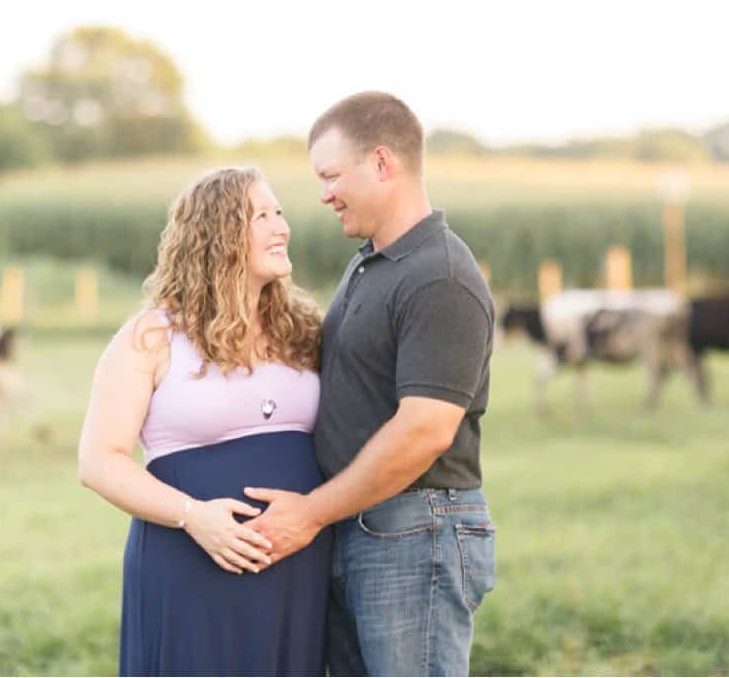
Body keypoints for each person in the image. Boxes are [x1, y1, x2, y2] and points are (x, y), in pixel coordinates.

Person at [243, 91, 496, 676]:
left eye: (332, 176)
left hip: (416, 533)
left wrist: (309, 513)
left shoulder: (441, 277)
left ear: (382, 163)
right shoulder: (372, 261)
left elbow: (424, 431)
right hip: (361, 528)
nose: (325, 194)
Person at [77, 166, 332, 676]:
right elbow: (99, 461)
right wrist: (195, 516)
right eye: (261, 215)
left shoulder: (304, 333)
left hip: (297, 571)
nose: (281, 227)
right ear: (217, 233)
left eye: (279, 212)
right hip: (190, 565)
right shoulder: (150, 338)